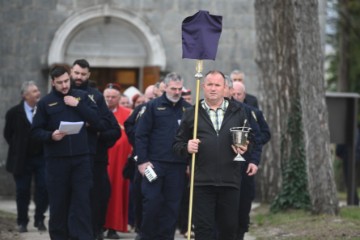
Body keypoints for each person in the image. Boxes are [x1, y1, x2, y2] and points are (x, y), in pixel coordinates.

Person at [173, 70, 249, 240]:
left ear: (224, 88)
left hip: (230, 180)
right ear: (203, 87)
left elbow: (248, 139)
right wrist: (187, 147)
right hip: (201, 182)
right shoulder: (191, 113)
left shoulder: (238, 111)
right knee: (203, 230)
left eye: (217, 85)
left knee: (229, 230)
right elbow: (177, 144)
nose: (213, 89)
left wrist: (245, 147)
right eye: (210, 84)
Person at [31, 65, 101, 239]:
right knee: (58, 204)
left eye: (66, 81)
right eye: (60, 83)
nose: (64, 86)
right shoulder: (45, 103)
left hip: (81, 159)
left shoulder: (82, 97)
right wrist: (50, 136)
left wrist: (78, 105)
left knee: (82, 203)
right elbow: (35, 131)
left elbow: (97, 120)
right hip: (57, 161)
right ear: (53, 83)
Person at [135, 72, 191, 240]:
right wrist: (143, 161)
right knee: (151, 203)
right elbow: (141, 134)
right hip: (155, 165)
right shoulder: (153, 106)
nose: (176, 92)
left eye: (179, 89)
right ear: (165, 87)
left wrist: (188, 163)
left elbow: (192, 137)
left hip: (177, 166)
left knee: (172, 207)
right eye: (173, 88)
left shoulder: (188, 110)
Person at [70, 59, 121, 240]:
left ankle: (95, 231)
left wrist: (97, 135)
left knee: (99, 196)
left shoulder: (95, 97)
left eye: (83, 74)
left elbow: (113, 129)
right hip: (68, 156)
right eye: (76, 73)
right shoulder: (62, 94)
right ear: (71, 72)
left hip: (95, 158)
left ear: (89, 75)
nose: (79, 77)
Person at [3, 81, 48, 233]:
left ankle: (39, 219)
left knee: (43, 188)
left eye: (38, 90)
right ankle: (22, 221)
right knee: (22, 191)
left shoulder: (43, 111)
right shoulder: (13, 113)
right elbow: (8, 134)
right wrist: (19, 148)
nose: (38, 93)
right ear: (25, 95)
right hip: (21, 159)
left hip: (41, 158)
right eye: (34, 91)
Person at [232, 81, 271, 240]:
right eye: (232, 94)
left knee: (244, 202)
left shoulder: (252, 112)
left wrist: (251, 146)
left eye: (238, 94)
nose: (235, 97)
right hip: (227, 167)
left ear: (244, 95)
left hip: (246, 164)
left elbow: (263, 134)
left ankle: (240, 231)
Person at [103, 83, 133, 239]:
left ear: (119, 98)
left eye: (113, 97)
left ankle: (113, 227)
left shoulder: (128, 114)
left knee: (116, 193)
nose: (109, 99)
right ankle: (98, 225)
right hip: (102, 160)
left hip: (120, 162)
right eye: (106, 96)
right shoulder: (97, 112)